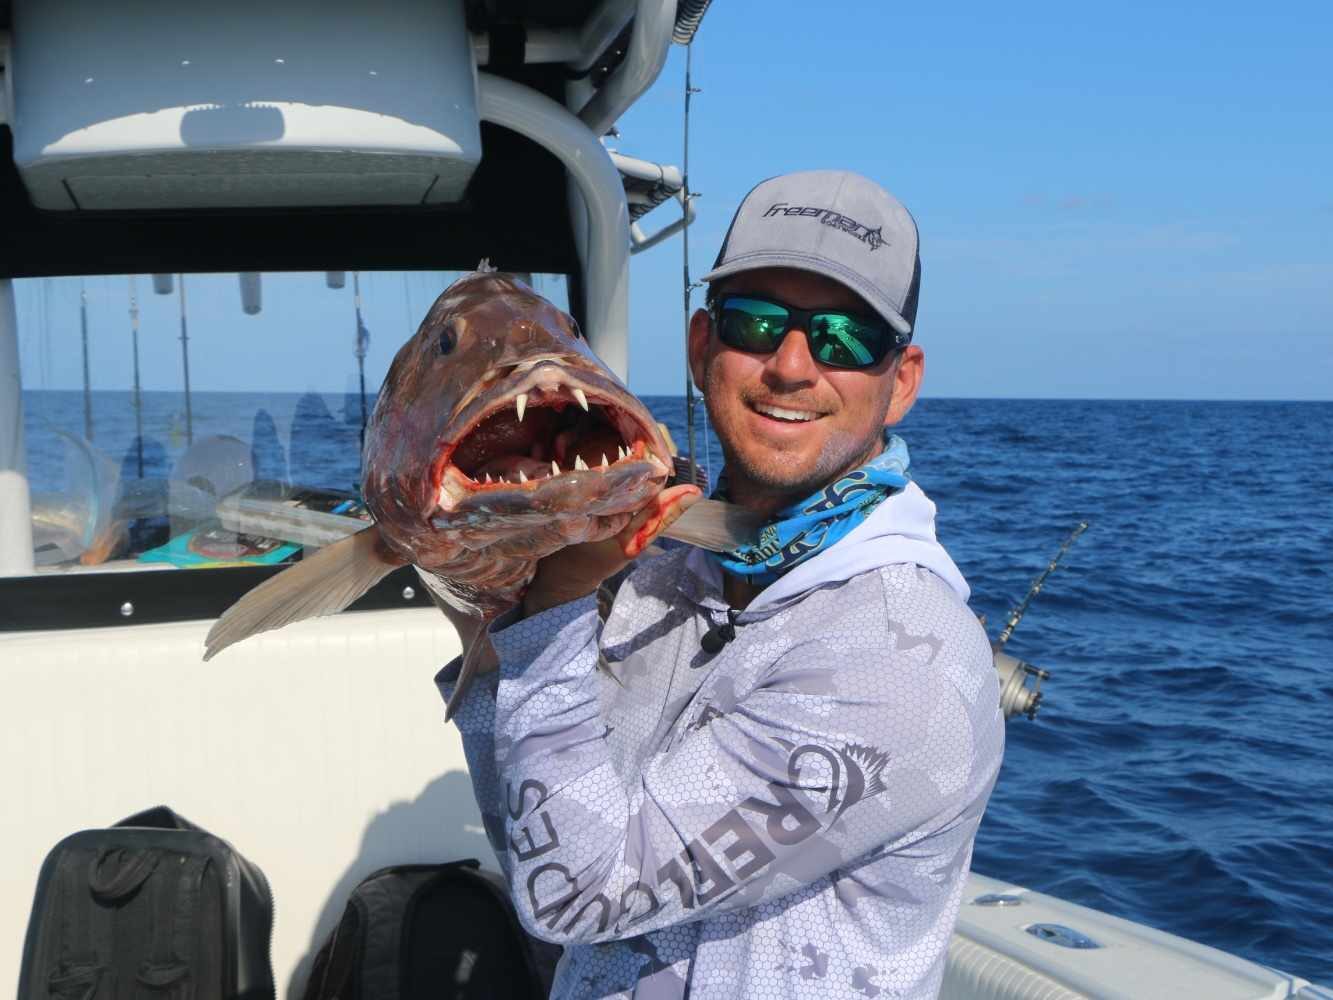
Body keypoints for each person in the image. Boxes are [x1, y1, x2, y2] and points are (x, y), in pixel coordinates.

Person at [437, 170, 1004, 999]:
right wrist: (490, 608)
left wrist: (553, 603)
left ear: (903, 381)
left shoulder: (900, 660)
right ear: (702, 344)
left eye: (845, 338)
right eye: (756, 323)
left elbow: (576, 893)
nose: (792, 366)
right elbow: (532, 839)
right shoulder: (661, 568)